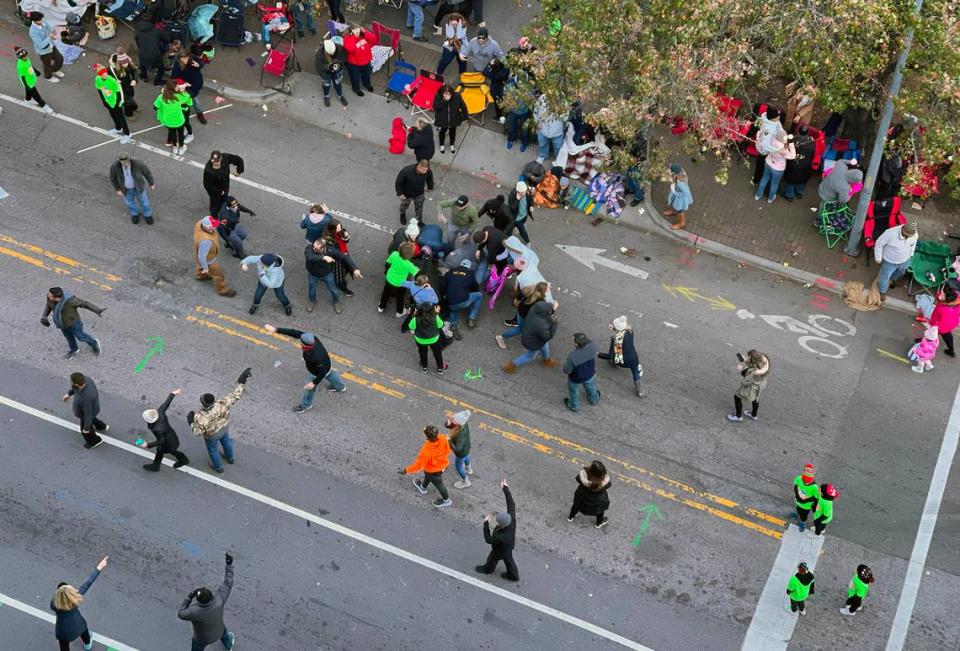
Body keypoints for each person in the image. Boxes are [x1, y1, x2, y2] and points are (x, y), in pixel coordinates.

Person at [264, 326, 347, 412]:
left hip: (318, 371)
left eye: (300, 341)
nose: (299, 340)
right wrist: (276, 330)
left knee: (309, 387)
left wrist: (314, 383)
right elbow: (294, 332)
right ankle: (340, 387)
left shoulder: (315, 357)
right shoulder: (313, 339)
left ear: (304, 345)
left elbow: (323, 372)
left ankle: (306, 404)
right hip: (327, 363)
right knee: (330, 373)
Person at [188, 369, 251, 472]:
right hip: (224, 427)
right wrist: (242, 379)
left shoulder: (200, 417)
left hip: (212, 435)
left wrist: (190, 421)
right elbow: (235, 395)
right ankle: (230, 458)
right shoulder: (222, 403)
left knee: (213, 450)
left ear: (204, 404)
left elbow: (197, 432)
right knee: (226, 441)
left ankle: (218, 467)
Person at [178, 553, 236, 650]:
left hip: (202, 638)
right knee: (224, 634)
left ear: (198, 601)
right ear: (212, 596)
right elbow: (228, 583)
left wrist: (189, 597)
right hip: (219, 630)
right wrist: (229, 565)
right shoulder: (219, 600)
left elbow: (181, 614)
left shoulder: (194, 611)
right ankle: (228, 645)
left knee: (197, 647)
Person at [52, 556, 109, 651]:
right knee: (85, 633)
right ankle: (87, 645)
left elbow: (58, 598)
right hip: (78, 625)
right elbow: (88, 583)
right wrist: (99, 567)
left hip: (63, 632)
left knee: (64, 647)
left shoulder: (54, 604)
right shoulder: (75, 599)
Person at [398, 425, 453, 507]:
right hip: (443, 466)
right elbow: (448, 450)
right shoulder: (442, 438)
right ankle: (423, 487)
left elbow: (419, 465)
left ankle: (446, 500)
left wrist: (406, 470)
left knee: (439, 485)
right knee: (428, 476)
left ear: (426, 436)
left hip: (433, 471)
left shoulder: (426, 451)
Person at [304, 236, 361, 314]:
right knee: (311, 289)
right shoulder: (309, 248)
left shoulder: (331, 250)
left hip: (326, 274)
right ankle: (312, 301)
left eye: (316, 249)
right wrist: (323, 257)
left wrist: (354, 268)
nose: (314, 249)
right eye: (314, 247)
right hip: (313, 274)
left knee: (333, 290)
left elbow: (344, 257)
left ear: (323, 248)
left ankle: (336, 302)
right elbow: (310, 257)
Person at [42, 287, 104, 359]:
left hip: (74, 323)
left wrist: (97, 310)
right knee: (69, 337)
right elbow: (48, 306)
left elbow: (85, 304)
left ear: (56, 298)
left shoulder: (70, 301)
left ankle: (94, 343)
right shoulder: (50, 298)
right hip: (62, 324)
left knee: (81, 337)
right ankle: (74, 350)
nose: (47, 295)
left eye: (50, 295)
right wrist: (44, 316)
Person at [476, 479, 518, 580]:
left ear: (501, 524)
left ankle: (488, 570)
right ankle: (514, 576)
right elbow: (511, 505)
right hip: (509, 547)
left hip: (499, 550)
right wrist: (505, 488)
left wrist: (486, 524)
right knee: (509, 560)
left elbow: (488, 539)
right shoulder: (511, 520)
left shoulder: (500, 537)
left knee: (492, 559)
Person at [502, 298, 558, 373]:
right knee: (529, 356)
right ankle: (510, 366)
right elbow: (548, 336)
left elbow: (546, 314)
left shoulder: (534, 309)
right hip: (534, 341)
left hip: (531, 335)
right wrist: (555, 324)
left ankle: (546, 360)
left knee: (545, 346)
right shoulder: (541, 324)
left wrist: (552, 309)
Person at [139, 389, 190, 471]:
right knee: (166, 451)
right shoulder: (160, 412)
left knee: (163, 450)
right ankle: (182, 460)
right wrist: (173, 394)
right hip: (172, 436)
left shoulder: (157, 429)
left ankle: (157, 466)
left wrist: (148, 445)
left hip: (168, 443)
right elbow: (166, 404)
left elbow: (161, 441)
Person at [598, 315, 644, 397]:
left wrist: (599, 355)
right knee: (635, 372)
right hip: (634, 359)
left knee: (613, 358)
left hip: (623, 361)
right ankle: (640, 390)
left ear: (616, 328)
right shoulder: (630, 331)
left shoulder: (616, 340)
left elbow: (612, 355)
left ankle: (613, 364)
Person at [874, 219, 918, 300]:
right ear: (903, 228)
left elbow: (913, 244)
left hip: (905, 260)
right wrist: (878, 257)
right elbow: (879, 243)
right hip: (889, 261)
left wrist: (911, 254)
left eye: (909, 235)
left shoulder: (914, 235)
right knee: (885, 276)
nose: (907, 236)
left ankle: (893, 279)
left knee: (901, 271)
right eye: (905, 234)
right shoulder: (890, 233)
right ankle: (882, 291)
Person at [62, 373, 109, 449]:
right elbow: (75, 389)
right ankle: (101, 426)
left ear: (76, 384)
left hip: (85, 414)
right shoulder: (87, 379)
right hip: (93, 408)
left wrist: (86, 429)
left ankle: (94, 441)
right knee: (93, 418)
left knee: (86, 428)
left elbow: (88, 415)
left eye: (71, 381)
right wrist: (69, 393)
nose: (70, 382)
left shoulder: (86, 398)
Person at [496, 281, 547, 349]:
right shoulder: (540, 300)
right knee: (519, 329)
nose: (549, 288)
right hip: (525, 317)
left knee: (521, 327)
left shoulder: (530, 290)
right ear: (544, 291)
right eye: (548, 288)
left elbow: (520, 296)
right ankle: (501, 337)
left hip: (520, 312)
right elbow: (545, 311)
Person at [194, 216, 236, 297]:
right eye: (213, 226)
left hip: (198, 250)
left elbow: (200, 257)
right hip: (209, 258)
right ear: (208, 228)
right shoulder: (206, 241)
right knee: (218, 274)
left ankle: (200, 275)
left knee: (199, 263)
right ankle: (222, 289)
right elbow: (202, 257)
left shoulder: (199, 223)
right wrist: (206, 268)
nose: (215, 227)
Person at [110, 152, 155, 224]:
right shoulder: (115, 166)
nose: (124, 164)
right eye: (122, 162)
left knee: (145, 202)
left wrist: (151, 183)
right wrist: (118, 189)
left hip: (138, 187)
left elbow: (147, 173)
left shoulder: (138, 164)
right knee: (129, 203)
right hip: (126, 190)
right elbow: (113, 178)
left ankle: (148, 214)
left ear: (129, 160)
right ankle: (134, 214)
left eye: (126, 162)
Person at [727, 349, 770, 422]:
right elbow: (754, 365)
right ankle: (754, 415)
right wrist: (746, 361)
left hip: (752, 387)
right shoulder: (764, 363)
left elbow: (745, 382)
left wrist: (741, 370)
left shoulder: (754, 372)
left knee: (737, 396)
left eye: (749, 357)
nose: (748, 358)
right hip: (761, 385)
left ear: (754, 360)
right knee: (756, 398)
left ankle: (738, 416)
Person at [441, 259, 483, 333]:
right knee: (479, 295)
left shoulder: (450, 272)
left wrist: (444, 295)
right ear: (469, 267)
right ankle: (472, 318)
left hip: (450, 301)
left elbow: (441, 286)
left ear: (460, 264)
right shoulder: (470, 274)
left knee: (453, 309)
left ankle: (454, 324)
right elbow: (475, 287)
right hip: (463, 300)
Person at [567, 460, 611, 528]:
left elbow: (577, 478)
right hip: (597, 502)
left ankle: (571, 517)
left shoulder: (583, 477)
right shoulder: (604, 482)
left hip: (581, 498)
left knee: (576, 506)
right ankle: (599, 523)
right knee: (600, 511)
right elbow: (609, 484)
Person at [380, 241, 420, 316]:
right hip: (401, 283)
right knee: (400, 297)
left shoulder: (394, 254)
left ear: (399, 249)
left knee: (385, 293)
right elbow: (418, 274)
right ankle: (399, 312)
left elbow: (387, 264)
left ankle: (381, 307)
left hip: (389, 278)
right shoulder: (409, 265)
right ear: (410, 255)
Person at [94, 63, 131, 144]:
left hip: (115, 102)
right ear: (100, 75)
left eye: (106, 73)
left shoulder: (112, 80)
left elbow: (118, 92)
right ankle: (118, 128)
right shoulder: (97, 79)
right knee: (113, 116)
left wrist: (119, 102)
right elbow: (100, 90)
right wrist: (104, 101)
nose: (105, 75)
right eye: (103, 74)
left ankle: (127, 134)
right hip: (108, 102)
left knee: (121, 117)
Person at [563, 332, 600, 412]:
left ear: (576, 344)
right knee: (591, 387)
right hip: (590, 373)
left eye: (573, 340)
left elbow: (566, 370)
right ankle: (594, 399)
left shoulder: (573, 355)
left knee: (574, 391)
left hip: (576, 378)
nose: (572, 341)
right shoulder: (592, 346)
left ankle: (573, 405)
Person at [754, 135, 795, 204]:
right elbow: (793, 156)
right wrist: (791, 143)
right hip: (778, 169)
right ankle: (770, 199)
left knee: (764, 179)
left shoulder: (772, 142)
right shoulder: (784, 150)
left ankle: (758, 195)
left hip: (768, 162)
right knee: (774, 184)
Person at [203, 151, 245, 216]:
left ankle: (222, 208)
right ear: (211, 160)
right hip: (215, 191)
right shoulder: (208, 171)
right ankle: (214, 217)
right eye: (214, 162)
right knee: (215, 204)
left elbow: (238, 159)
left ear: (221, 159)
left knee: (224, 199)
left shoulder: (225, 158)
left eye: (218, 161)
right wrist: (219, 192)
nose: (216, 163)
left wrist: (239, 171)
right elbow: (208, 185)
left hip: (225, 185)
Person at [409, 304, 448, 373]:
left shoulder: (415, 319)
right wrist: (437, 313)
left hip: (420, 340)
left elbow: (411, 329)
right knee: (437, 353)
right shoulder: (435, 317)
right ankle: (440, 368)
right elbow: (441, 325)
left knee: (422, 353)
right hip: (434, 339)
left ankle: (424, 368)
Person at [172, 48, 207, 124]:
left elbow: (202, 63)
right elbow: (174, 77)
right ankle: (182, 114)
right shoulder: (177, 64)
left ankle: (199, 113)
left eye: (186, 58)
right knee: (183, 102)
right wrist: (183, 84)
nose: (184, 60)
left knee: (195, 101)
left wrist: (199, 65)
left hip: (194, 86)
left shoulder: (193, 61)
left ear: (189, 56)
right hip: (184, 87)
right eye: (182, 58)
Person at [154, 79, 188, 155]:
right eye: (176, 86)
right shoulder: (179, 96)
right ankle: (181, 147)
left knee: (172, 133)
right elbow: (187, 99)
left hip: (168, 120)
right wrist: (183, 88)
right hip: (179, 120)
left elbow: (155, 107)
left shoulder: (161, 97)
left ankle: (175, 147)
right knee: (180, 133)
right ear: (173, 88)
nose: (178, 87)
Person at [324, 219, 357, 297]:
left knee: (346, 268)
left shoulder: (340, 231)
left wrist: (347, 237)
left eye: (340, 227)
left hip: (344, 253)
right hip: (337, 259)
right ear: (332, 229)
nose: (340, 229)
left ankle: (341, 275)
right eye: (338, 228)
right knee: (339, 276)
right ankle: (342, 288)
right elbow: (334, 252)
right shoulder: (328, 239)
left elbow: (346, 240)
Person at [781, 125, 815, 201]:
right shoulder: (812, 141)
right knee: (803, 179)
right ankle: (799, 192)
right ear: (807, 133)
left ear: (798, 132)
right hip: (806, 164)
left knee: (791, 180)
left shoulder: (793, 140)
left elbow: (787, 150)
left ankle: (789, 195)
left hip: (794, 165)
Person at [15, 47, 54, 113]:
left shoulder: (27, 59)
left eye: (26, 55)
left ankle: (28, 100)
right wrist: (26, 85)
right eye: (24, 56)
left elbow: (30, 65)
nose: (26, 57)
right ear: (20, 58)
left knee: (29, 92)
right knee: (36, 95)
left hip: (31, 78)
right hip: (28, 82)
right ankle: (44, 105)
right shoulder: (20, 66)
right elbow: (22, 77)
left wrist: (36, 71)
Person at [396, 160, 434, 225]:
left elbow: (429, 180)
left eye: (426, 170)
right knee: (404, 205)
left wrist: (430, 187)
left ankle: (418, 220)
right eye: (423, 170)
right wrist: (400, 193)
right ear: (418, 167)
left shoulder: (428, 171)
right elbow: (399, 182)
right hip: (406, 193)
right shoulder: (406, 171)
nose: (425, 172)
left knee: (419, 207)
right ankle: (402, 214)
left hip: (419, 193)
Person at [28, 12, 64, 82]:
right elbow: (41, 45)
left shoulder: (43, 22)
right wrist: (49, 37)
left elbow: (49, 29)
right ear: (34, 21)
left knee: (60, 58)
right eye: (40, 20)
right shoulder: (33, 31)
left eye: (41, 19)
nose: (42, 21)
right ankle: (48, 77)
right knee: (47, 65)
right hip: (43, 51)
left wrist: (53, 33)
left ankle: (55, 70)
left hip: (51, 45)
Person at [433, 84, 468, 155]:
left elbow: (463, 106)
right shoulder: (438, 96)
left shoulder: (457, 96)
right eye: (445, 93)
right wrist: (444, 100)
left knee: (453, 133)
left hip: (453, 119)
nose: (447, 95)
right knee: (442, 133)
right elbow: (435, 107)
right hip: (442, 120)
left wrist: (465, 116)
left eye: (449, 94)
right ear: (442, 92)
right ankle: (441, 145)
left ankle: (452, 145)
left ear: (452, 92)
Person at [342, 24, 375, 96]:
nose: (358, 34)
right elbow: (351, 48)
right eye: (356, 32)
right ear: (351, 32)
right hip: (354, 64)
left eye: (358, 32)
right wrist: (353, 36)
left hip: (366, 62)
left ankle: (367, 85)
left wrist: (364, 32)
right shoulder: (347, 39)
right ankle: (356, 89)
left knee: (366, 75)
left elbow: (373, 39)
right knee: (355, 78)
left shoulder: (362, 35)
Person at [928, 286, 960, 357]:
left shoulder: (944, 310)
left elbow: (940, 323)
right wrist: (939, 297)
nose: (940, 294)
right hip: (952, 322)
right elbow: (939, 295)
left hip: (944, 325)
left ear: (947, 298)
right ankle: (951, 351)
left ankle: (925, 341)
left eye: (942, 294)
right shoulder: (956, 299)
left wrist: (934, 326)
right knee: (947, 336)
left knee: (933, 334)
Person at [317, 38, 348, 107]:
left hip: (337, 72)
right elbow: (318, 66)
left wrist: (339, 64)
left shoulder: (340, 48)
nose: (332, 55)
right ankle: (326, 95)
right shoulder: (319, 53)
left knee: (338, 83)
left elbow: (343, 58)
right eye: (330, 54)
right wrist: (328, 67)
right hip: (326, 73)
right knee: (326, 84)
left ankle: (339, 95)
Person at [533, 94, 564, 164]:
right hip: (542, 128)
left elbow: (565, 116)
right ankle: (542, 155)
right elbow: (536, 110)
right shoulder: (542, 97)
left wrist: (558, 111)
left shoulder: (562, 99)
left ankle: (559, 159)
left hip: (556, 130)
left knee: (558, 146)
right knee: (542, 143)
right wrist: (537, 121)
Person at [135, 19, 167, 85]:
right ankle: (157, 81)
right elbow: (167, 39)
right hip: (155, 54)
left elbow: (137, 42)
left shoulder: (137, 31)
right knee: (161, 68)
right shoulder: (156, 30)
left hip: (143, 53)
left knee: (142, 64)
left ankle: (144, 76)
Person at [109, 48, 138, 118]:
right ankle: (129, 114)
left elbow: (133, 71)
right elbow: (109, 79)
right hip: (120, 88)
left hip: (128, 85)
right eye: (124, 63)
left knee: (131, 97)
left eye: (127, 62)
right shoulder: (114, 70)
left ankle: (132, 107)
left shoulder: (128, 64)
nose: (126, 64)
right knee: (126, 102)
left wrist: (134, 80)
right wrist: (115, 81)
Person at [447, 410, 473, 488]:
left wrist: (449, 441)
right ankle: (468, 468)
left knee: (459, 467)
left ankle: (465, 481)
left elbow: (458, 449)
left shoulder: (460, 435)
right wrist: (448, 423)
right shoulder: (463, 424)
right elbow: (450, 425)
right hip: (466, 447)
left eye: (453, 420)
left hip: (461, 453)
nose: (452, 420)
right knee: (467, 456)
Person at [663, 163, 692, 230]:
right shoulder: (679, 173)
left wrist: (675, 193)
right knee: (674, 204)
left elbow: (686, 193)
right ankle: (674, 211)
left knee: (679, 210)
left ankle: (682, 223)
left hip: (681, 199)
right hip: (677, 197)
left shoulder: (680, 183)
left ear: (675, 173)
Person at [792, 463, 820, 532]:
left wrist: (805, 501)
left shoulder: (814, 487)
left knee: (803, 515)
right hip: (798, 501)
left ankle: (803, 523)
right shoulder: (799, 478)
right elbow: (795, 485)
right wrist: (797, 495)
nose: (807, 483)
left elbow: (816, 497)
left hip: (806, 506)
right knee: (798, 509)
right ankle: (797, 514)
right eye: (805, 481)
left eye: (809, 481)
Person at [483, 56, 509, 121]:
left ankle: (498, 116)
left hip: (496, 89)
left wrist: (489, 64)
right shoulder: (505, 69)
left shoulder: (495, 75)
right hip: (504, 86)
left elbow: (485, 72)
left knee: (497, 103)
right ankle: (505, 110)